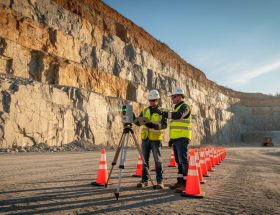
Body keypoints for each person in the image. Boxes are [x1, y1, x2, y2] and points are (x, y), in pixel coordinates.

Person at [155, 87, 192, 192]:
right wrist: (172, 139)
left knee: (183, 161)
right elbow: (175, 124)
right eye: (172, 97)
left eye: (174, 96)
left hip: (183, 138)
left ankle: (186, 184)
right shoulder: (177, 107)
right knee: (178, 161)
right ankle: (180, 182)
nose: (172, 98)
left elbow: (178, 116)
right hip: (176, 139)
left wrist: (164, 113)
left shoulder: (185, 107)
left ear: (180, 96)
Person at [134, 89, 167, 189]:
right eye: (150, 100)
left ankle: (160, 181)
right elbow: (138, 122)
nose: (151, 102)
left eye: (153, 100)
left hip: (156, 139)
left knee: (158, 161)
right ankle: (144, 180)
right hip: (145, 138)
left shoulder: (162, 111)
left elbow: (164, 125)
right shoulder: (145, 110)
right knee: (145, 160)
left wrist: (153, 125)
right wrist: (134, 119)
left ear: (158, 100)